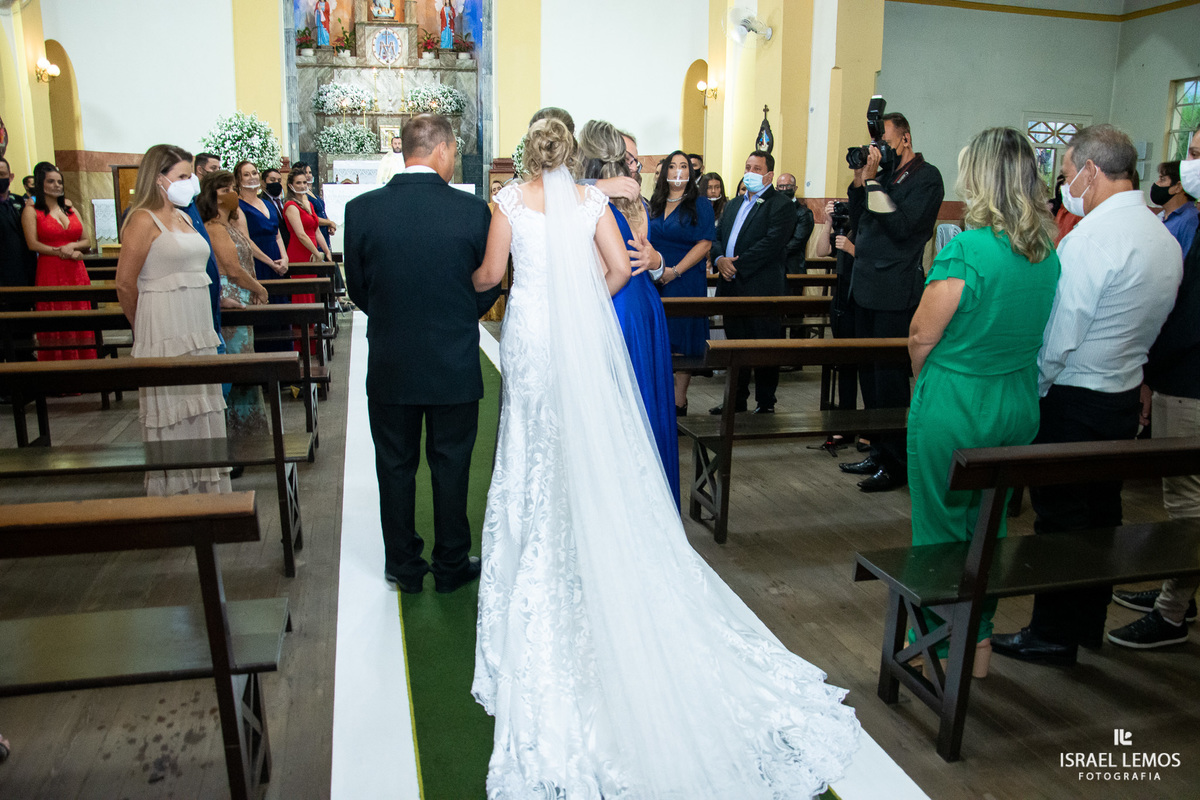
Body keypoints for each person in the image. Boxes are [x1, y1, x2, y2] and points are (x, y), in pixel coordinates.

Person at [469, 116, 860, 798]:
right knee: (579, 439)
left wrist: (484, 279)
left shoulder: (506, 202)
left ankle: (541, 548)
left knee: (530, 443)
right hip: (572, 332)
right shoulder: (592, 202)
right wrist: (579, 304)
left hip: (530, 336)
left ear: (527, 154)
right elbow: (622, 269)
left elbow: (491, 275)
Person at [991, 124, 1184, 667]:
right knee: (1101, 517)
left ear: (1091, 171)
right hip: (1121, 395)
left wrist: (1033, 391)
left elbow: (1060, 335)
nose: (1064, 183)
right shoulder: (1161, 236)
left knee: (1059, 523)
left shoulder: (1093, 239)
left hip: (1073, 398)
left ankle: (1052, 633)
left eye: (1067, 172)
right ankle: (1086, 624)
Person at [907, 127, 1062, 677]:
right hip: (1016, 400)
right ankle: (978, 642)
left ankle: (934, 648)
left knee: (939, 530)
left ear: (979, 177)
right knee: (988, 530)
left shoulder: (968, 250)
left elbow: (922, 336)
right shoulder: (1046, 251)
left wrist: (922, 384)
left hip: (958, 399)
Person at [343, 113, 501, 594]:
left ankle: (404, 566)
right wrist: (458, 316)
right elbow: (487, 284)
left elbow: (358, 288)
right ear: (443, 149)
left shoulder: (362, 209)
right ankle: (451, 564)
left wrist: (394, 319)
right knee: (452, 465)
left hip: (391, 361)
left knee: (394, 465)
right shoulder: (472, 211)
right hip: (453, 360)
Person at [1108, 125, 1200, 649]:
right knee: (1181, 497)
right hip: (1177, 377)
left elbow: (1186, 319)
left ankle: (1171, 612)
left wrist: (1147, 365)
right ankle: (1180, 590)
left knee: (1187, 504)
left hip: (1188, 382)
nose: (1188, 165)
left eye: (1197, 155)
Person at [837, 111, 944, 493]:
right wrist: (860, 179)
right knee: (870, 377)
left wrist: (871, 182)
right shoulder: (884, 177)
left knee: (890, 382)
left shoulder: (926, 178)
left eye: (882, 140)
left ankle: (896, 463)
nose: (877, 149)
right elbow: (859, 218)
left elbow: (900, 227)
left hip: (894, 291)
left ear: (905, 139)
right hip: (865, 287)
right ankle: (878, 451)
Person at [115, 144, 230, 496]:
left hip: (197, 324)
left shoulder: (184, 216)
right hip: (163, 325)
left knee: (202, 403)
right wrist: (143, 329)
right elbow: (125, 283)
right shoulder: (142, 219)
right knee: (174, 409)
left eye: (190, 175)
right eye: (182, 176)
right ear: (158, 178)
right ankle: (176, 494)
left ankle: (207, 490)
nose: (190, 182)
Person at [578, 120, 678, 505]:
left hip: (628, 306)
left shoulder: (632, 204)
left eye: (636, 160)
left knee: (632, 405)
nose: (634, 168)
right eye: (629, 159)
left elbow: (645, 260)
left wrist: (657, 260)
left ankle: (637, 500)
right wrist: (596, 186)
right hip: (629, 306)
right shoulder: (591, 198)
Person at [710, 150, 797, 414]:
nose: (750, 173)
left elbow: (771, 243)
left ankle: (766, 401)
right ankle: (736, 398)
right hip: (731, 286)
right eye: (748, 167)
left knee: (764, 345)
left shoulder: (780, 204)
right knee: (735, 345)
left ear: (769, 175)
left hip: (761, 288)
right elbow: (716, 237)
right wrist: (719, 259)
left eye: (757, 169)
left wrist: (735, 265)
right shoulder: (734, 204)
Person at [198, 170, 270, 439]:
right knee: (237, 365)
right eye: (226, 190)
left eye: (233, 188)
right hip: (231, 295)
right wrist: (259, 288)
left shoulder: (228, 225)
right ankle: (235, 434)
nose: (233, 194)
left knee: (245, 361)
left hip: (240, 293)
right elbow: (232, 268)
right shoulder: (214, 228)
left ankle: (248, 431)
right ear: (213, 196)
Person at [649, 150, 714, 417]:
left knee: (682, 339)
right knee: (660, 338)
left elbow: (705, 243)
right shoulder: (655, 203)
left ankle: (679, 401)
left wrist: (674, 271)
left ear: (691, 172)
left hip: (685, 277)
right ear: (665, 171)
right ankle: (661, 397)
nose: (678, 170)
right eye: (673, 166)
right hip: (656, 278)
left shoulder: (700, 204)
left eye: (684, 166)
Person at [21, 163, 95, 361]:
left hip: (76, 270)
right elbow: (32, 244)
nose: (57, 185)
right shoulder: (31, 211)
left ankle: (86, 364)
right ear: (41, 184)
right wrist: (62, 251)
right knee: (57, 316)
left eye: (59, 182)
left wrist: (72, 247)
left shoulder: (70, 208)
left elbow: (87, 240)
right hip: (50, 270)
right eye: (51, 181)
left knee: (80, 316)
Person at [1151, 159, 1198, 256]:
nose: (1156, 184)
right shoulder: (1161, 216)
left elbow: (1187, 259)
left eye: (1162, 180)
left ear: (1178, 187)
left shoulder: (1190, 220)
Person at [777, 172, 815, 274]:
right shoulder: (773, 210)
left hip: (793, 268)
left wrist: (774, 252)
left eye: (788, 186)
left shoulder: (804, 213)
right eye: (781, 186)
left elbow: (797, 241)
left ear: (795, 188)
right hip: (774, 267)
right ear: (776, 189)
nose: (785, 189)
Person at [260, 167, 288, 248]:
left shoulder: (283, 201)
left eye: (279, 181)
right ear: (263, 183)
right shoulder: (261, 201)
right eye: (272, 180)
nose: (276, 183)